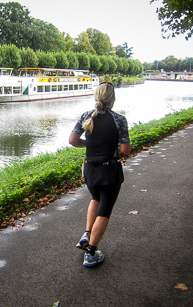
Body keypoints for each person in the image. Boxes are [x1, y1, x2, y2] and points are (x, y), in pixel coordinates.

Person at [69, 82, 131, 267]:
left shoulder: (86, 115)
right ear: (113, 98)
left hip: (90, 169)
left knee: (95, 198)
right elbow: (125, 150)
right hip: (109, 170)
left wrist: (91, 145)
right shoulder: (119, 119)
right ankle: (91, 253)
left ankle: (87, 235)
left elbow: (72, 140)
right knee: (104, 210)